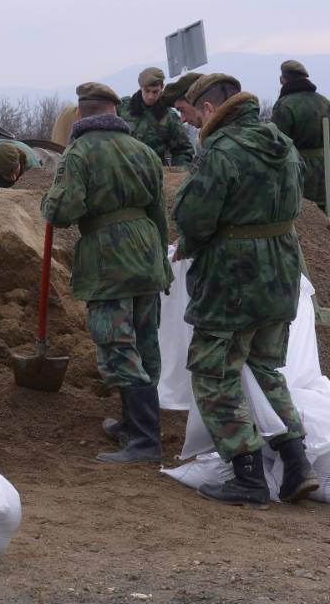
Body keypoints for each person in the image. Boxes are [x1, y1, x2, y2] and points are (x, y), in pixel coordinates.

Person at [173, 73, 318, 506]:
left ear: (210, 108)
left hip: (233, 278)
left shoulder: (221, 150)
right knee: (265, 369)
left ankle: (248, 475)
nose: (196, 125)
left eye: (197, 116)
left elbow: (195, 217)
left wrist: (190, 244)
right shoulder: (282, 144)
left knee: (214, 374)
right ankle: (296, 463)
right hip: (281, 272)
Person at [42, 82, 171, 463]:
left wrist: (51, 200)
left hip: (109, 258)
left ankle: (145, 442)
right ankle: (136, 426)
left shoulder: (78, 153)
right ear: (116, 113)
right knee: (145, 343)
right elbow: (159, 213)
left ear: (81, 116)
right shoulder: (145, 152)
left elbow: (63, 212)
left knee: (117, 346)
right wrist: (161, 262)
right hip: (148, 254)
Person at [271, 60, 330, 213]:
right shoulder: (324, 102)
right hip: (326, 171)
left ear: (282, 80)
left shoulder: (284, 105)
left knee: (304, 223)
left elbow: (277, 146)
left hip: (298, 173)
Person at [118, 67, 194, 167]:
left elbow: (183, 150)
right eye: (147, 91)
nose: (150, 96)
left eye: (155, 92)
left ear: (162, 88)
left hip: (156, 174)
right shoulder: (122, 108)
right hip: (125, 170)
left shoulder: (170, 117)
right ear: (140, 87)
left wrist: (178, 174)